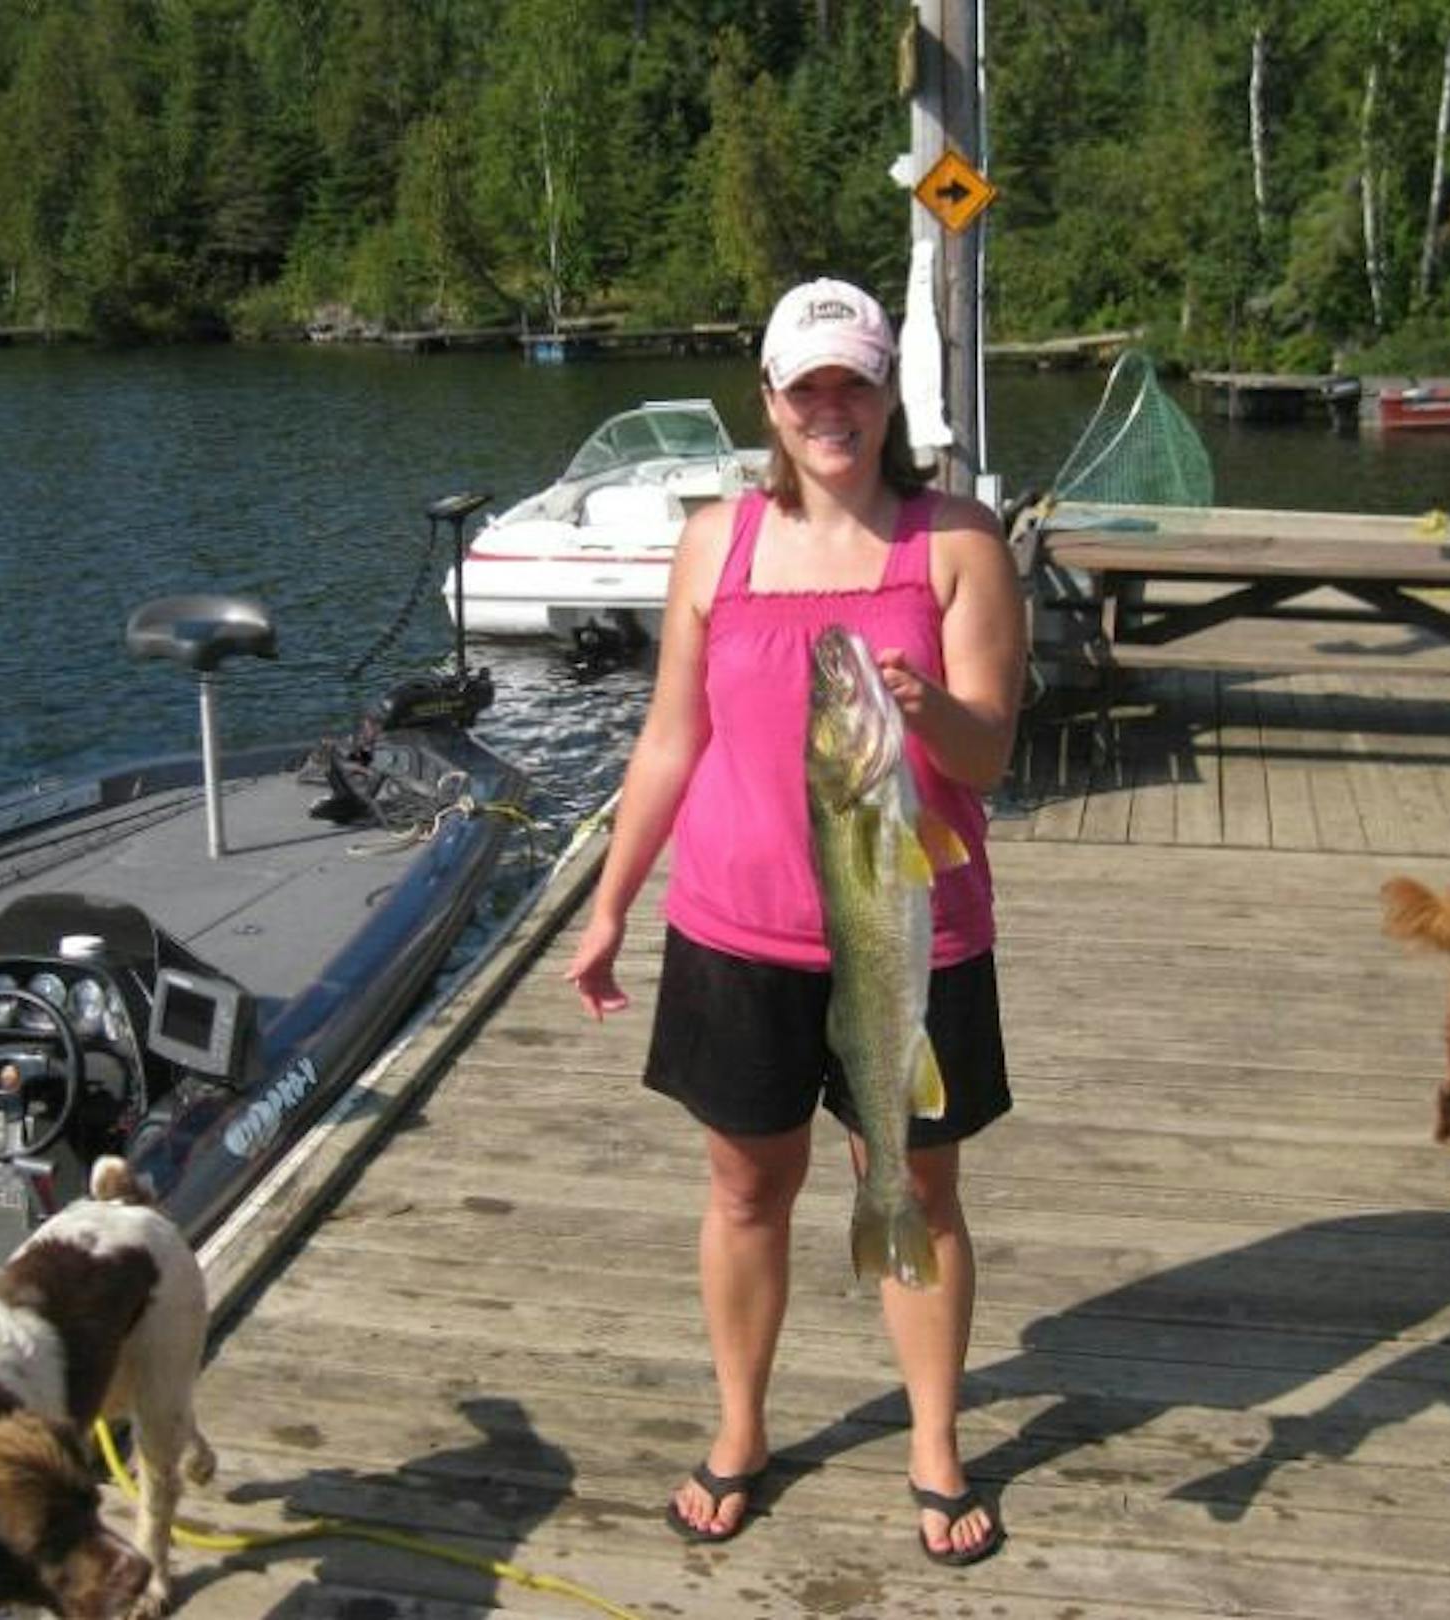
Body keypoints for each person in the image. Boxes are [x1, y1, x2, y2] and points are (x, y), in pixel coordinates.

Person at [563, 277, 1025, 1561]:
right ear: (769, 400)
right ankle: (742, 1425)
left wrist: (930, 712)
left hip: (913, 937)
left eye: (855, 385)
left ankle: (934, 1442)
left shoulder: (958, 544)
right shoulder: (716, 542)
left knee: (919, 1186)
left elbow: (989, 757)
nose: (833, 410)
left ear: (889, 399)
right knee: (745, 1187)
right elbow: (671, 740)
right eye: (806, 388)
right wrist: (610, 910)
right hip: (734, 933)